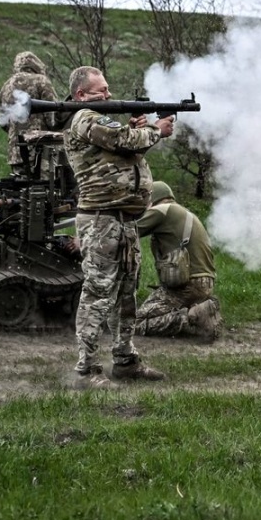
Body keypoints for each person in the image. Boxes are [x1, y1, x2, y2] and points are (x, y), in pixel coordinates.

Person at [63, 65, 174, 388]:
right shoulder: (84, 117)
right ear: (81, 95)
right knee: (97, 294)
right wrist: (155, 130)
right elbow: (122, 139)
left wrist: (142, 130)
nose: (109, 95)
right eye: (102, 91)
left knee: (127, 294)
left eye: (108, 89)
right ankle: (86, 370)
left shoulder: (99, 119)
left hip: (123, 221)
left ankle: (125, 360)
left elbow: (127, 145)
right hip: (101, 220)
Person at [135, 181, 221, 340]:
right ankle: (201, 307)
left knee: (136, 322)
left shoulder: (161, 210)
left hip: (187, 285)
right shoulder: (184, 213)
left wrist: (85, 240)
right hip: (205, 282)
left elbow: (127, 232)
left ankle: (190, 320)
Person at [0, 51, 58, 177]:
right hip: (39, 150)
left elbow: (3, 121)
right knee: (44, 190)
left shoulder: (6, 85)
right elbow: (53, 115)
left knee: (22, 189)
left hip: (15, 151)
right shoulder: (41, 81)